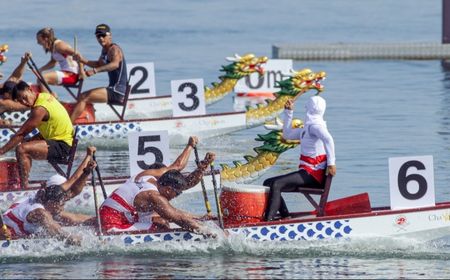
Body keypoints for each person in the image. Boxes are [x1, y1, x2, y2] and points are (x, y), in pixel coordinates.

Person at [99, 149, 216, 235]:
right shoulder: (154, 196)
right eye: (178, 193)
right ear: (169, 189)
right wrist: (209, 232)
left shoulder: (148, 177)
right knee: (162, 227)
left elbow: (175, 210)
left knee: (160, 218)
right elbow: (177, 218)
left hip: (116, 213)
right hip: (112, 223)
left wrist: (200, 218)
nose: (176, 196)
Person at [0, 146, 97, 245]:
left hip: (22, 229)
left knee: (74, 218)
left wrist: (87, 169)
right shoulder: (39, 212)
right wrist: (78, 241)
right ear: (51, 201)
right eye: (61, 202)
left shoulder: (47, 197)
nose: (62, 205)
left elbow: (74, 189)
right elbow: (60, 234)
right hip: (5, 237)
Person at [263, 95, 336, 221]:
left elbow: (328, 139)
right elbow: (287, 135)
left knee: (276, 184)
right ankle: (285, 217)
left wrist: (331, 163)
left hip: (313, 175)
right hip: (306, 173)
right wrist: (288, 113)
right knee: (268, 183)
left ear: (308, 108)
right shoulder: (307, 129)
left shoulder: (315, 126)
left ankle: (268, 222)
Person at [0, 80, 74, 188]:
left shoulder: (39, 109)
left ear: (30, 89)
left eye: (24, 97)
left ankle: (24, 187)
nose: (25, 102)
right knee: (25, 143)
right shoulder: (44, 96)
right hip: (60, 140)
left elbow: (21, 133)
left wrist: (2, 151)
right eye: (21, 101)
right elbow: (49, 127)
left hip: (62, 146)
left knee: (21, 149)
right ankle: (24, 182)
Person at [70, 24, 127, 123]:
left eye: (103, 35)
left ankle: (68, 126)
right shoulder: (104, 50)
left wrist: (94, 71)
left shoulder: (114, 49)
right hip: (112, 89)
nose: (100, 38)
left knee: (83, 97)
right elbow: (98, 64)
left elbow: (115, 64)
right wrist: (82, 59)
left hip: (117, 91)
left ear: (110, 36)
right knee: (83, 97)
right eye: (98, 36)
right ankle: (86, 120)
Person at [36, 27, 79, 93]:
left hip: (71, 75)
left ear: (46, 38)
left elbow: (77, 54)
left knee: (42, 78)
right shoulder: (53, 46)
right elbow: (53, 63)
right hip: (66, 73)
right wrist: (40, 70)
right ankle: (50, 98)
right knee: (40, 78)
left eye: (39, 40)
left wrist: (81, 71)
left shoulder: (59, 46)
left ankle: (48, 101)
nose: (37, 43)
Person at [0, 52, 36, 120]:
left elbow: (15, 77)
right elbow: (14, 77)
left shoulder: (6, 99)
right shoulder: (5, 102)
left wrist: (24, 62)